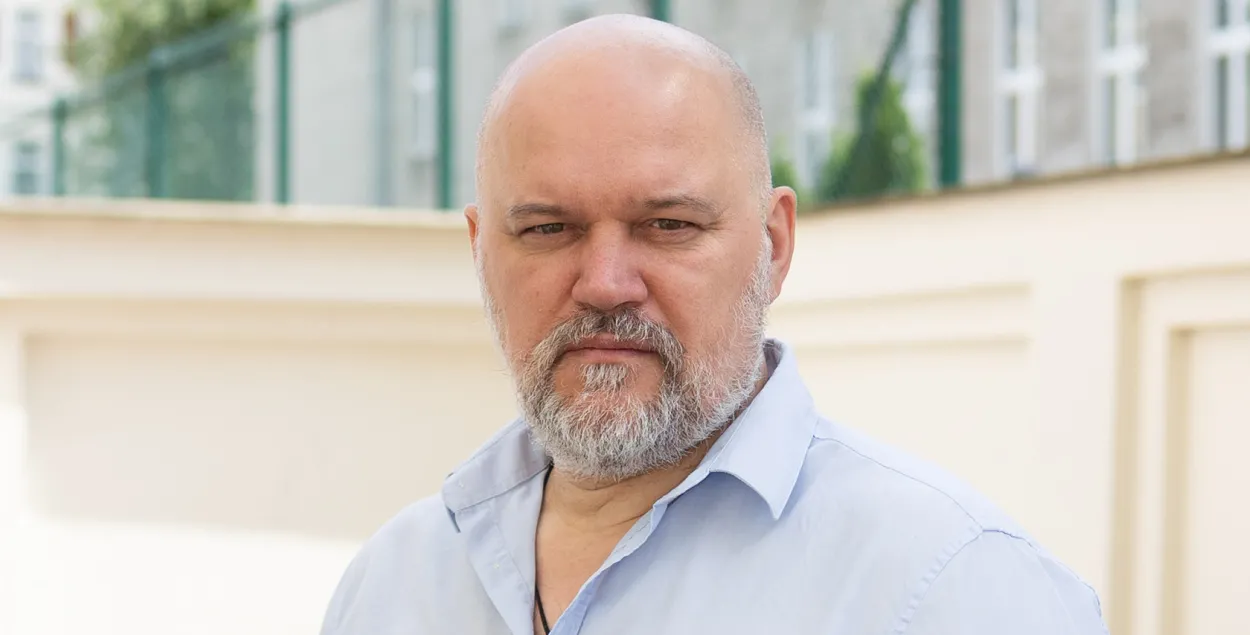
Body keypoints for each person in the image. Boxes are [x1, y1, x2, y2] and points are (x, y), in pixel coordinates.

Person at [320, 14, 1108, 635]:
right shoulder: (394, 583)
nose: (605, 283)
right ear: (480, 250)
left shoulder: (950, 586)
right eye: (548, 228)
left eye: (668, 224)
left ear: (773, 246)